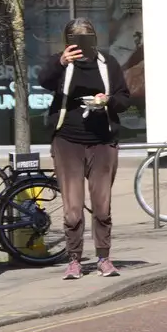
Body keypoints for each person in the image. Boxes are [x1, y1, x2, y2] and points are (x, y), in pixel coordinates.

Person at [40, 18, 132, 280]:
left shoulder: (107, 64)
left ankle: (104, 258)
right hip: (68, 141)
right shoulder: (61, 63)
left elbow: (124, 98)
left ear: (94, 39)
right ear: (67, 40)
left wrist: (108, 100)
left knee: (102, 206)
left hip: (102, 142)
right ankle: (74, 260)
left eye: (86, 37)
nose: (80, 44)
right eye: (74, 38)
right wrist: (61, 62)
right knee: (73, 207)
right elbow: (43, 80)